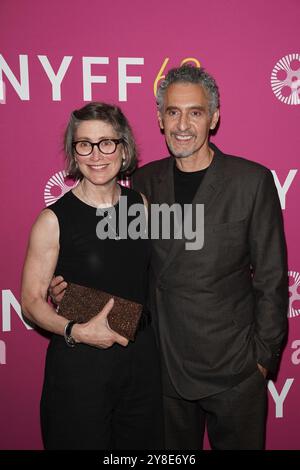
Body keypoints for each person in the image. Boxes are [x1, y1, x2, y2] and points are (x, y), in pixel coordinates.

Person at [50, 65, 289, 450]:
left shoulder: (251, 182)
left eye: (194, 112)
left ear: (213, 117)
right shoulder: (144, 184)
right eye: (172, 112)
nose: (182, 124)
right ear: (160, 119)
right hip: (163, 371)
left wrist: (261, 361)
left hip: (234, 369)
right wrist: (74, 299)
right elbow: (129, 273)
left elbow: (271, 279)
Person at [21, 102, 163, 450]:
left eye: (106, 143)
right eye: (84, 144)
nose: (96, 154)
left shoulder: (140, 205)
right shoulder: (54, 220)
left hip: (141, 360)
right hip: (80, 367)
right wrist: (76, 330)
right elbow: (30, 302)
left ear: (123, 147)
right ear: (74, 152)